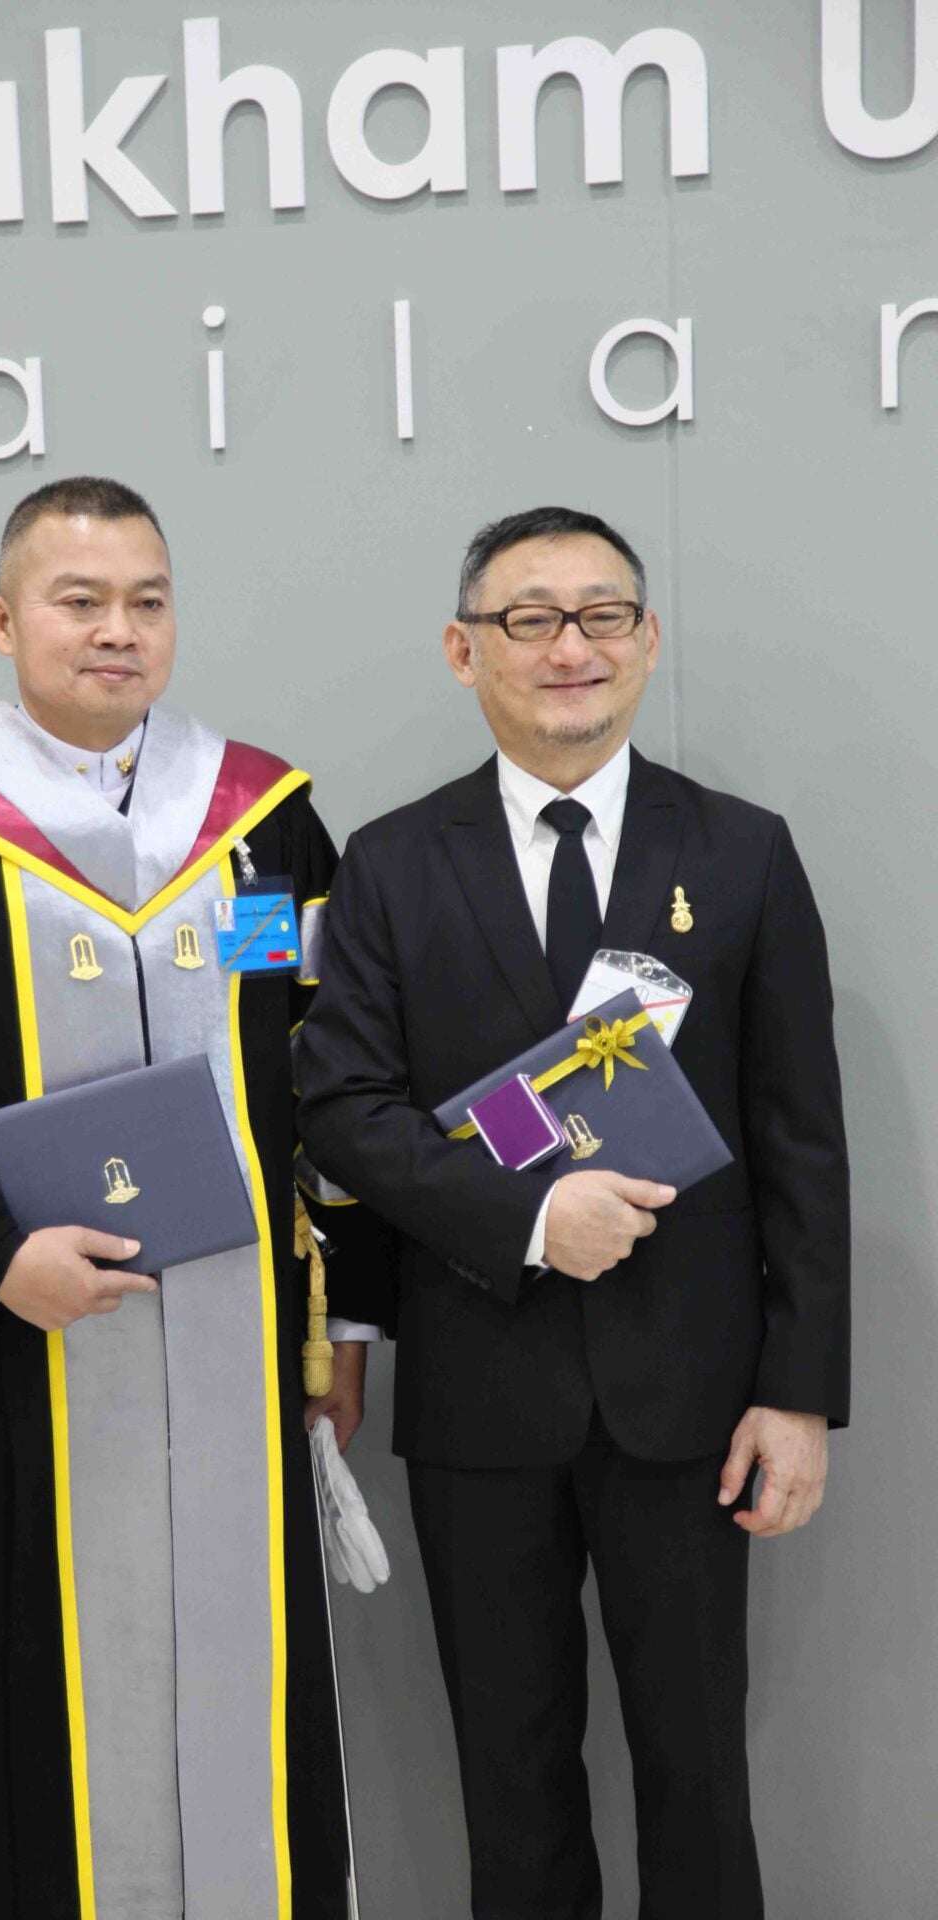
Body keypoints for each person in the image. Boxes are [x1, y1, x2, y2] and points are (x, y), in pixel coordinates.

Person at [0, 475, 383, 1920]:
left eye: (147, 602)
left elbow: (320, 1070)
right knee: (19, 1708)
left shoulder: (263, 823)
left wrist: (335, 1323)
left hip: (236, 1346)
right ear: (3, 619)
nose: (118, 630)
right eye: (79, 600)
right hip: (13, 1358)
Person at [296, 505, 851, 1920]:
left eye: (603, 615)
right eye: (530, 618)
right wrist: (532, 1221)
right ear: (463, 649)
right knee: (512, 1782)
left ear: (647, 640)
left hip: (694, 1403)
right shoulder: (389, 864)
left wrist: (798, 1394)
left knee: (699, 1776)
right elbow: (342, 1108)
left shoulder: (741, 853)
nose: (570, 648)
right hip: (481, 1397)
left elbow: (802, 1142)